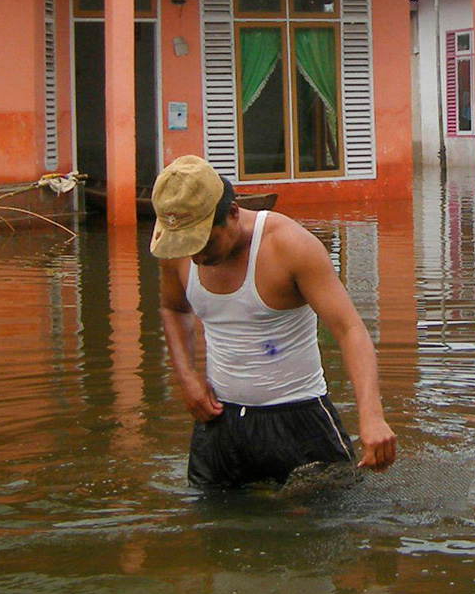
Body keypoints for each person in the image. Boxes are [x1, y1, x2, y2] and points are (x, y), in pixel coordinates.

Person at [151, 155, 397, 487]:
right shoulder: (177, 246)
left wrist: (372, 416)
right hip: (219, 420)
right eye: (187, 246)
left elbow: (349, 329)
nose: (196, 257)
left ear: (233, 213)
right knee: (211, 526)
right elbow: (174, 309)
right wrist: (186, 377)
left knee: (327, 525)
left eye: (205, 243)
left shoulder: (289, 246)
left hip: (298, 418)